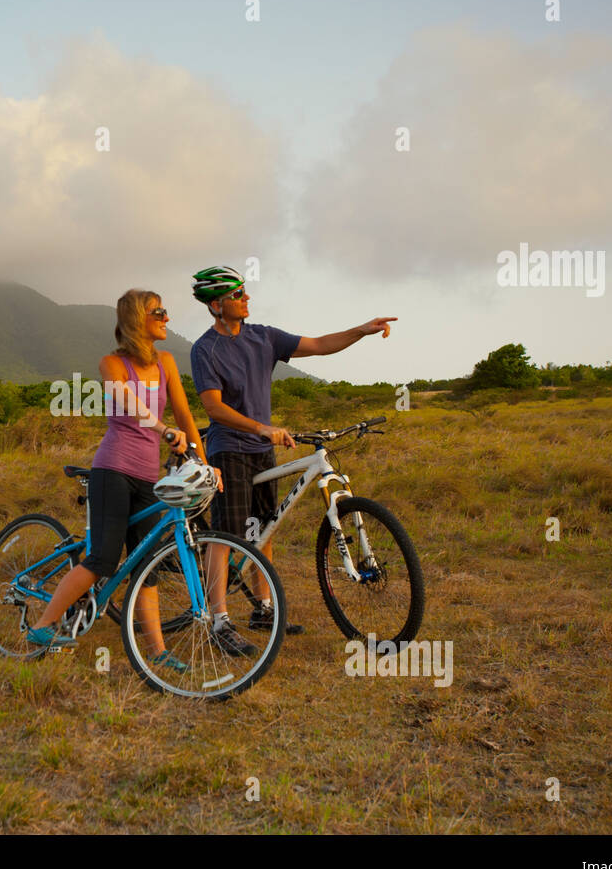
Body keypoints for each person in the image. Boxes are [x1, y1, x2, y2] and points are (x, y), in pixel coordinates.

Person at [190, 265, 396, 642]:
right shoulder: (206, 349)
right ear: (216, 306)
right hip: (229, 449)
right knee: (226, 536)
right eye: (237, 295)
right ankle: (218, 620)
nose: (246, 297)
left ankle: (263, 610)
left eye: (244, 291)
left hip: (260, 451)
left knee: (263, 530)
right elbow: (214, 408)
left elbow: (317, 345)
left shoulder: (264, 337)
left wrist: (360, 331)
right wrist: (262, 428)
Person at [27, 289, 220, 672]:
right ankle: (44, 625)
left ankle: (158, 651)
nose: (167, 318)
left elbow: (185, 416)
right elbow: (129, 403)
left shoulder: (166, 363)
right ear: (136, 320)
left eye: (165, 311)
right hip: (113, 471)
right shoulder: (112, 364)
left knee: (145, 564)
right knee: (102, 559)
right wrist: (163, 430)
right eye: (158, 312)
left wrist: (203, 461)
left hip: (149, 479)